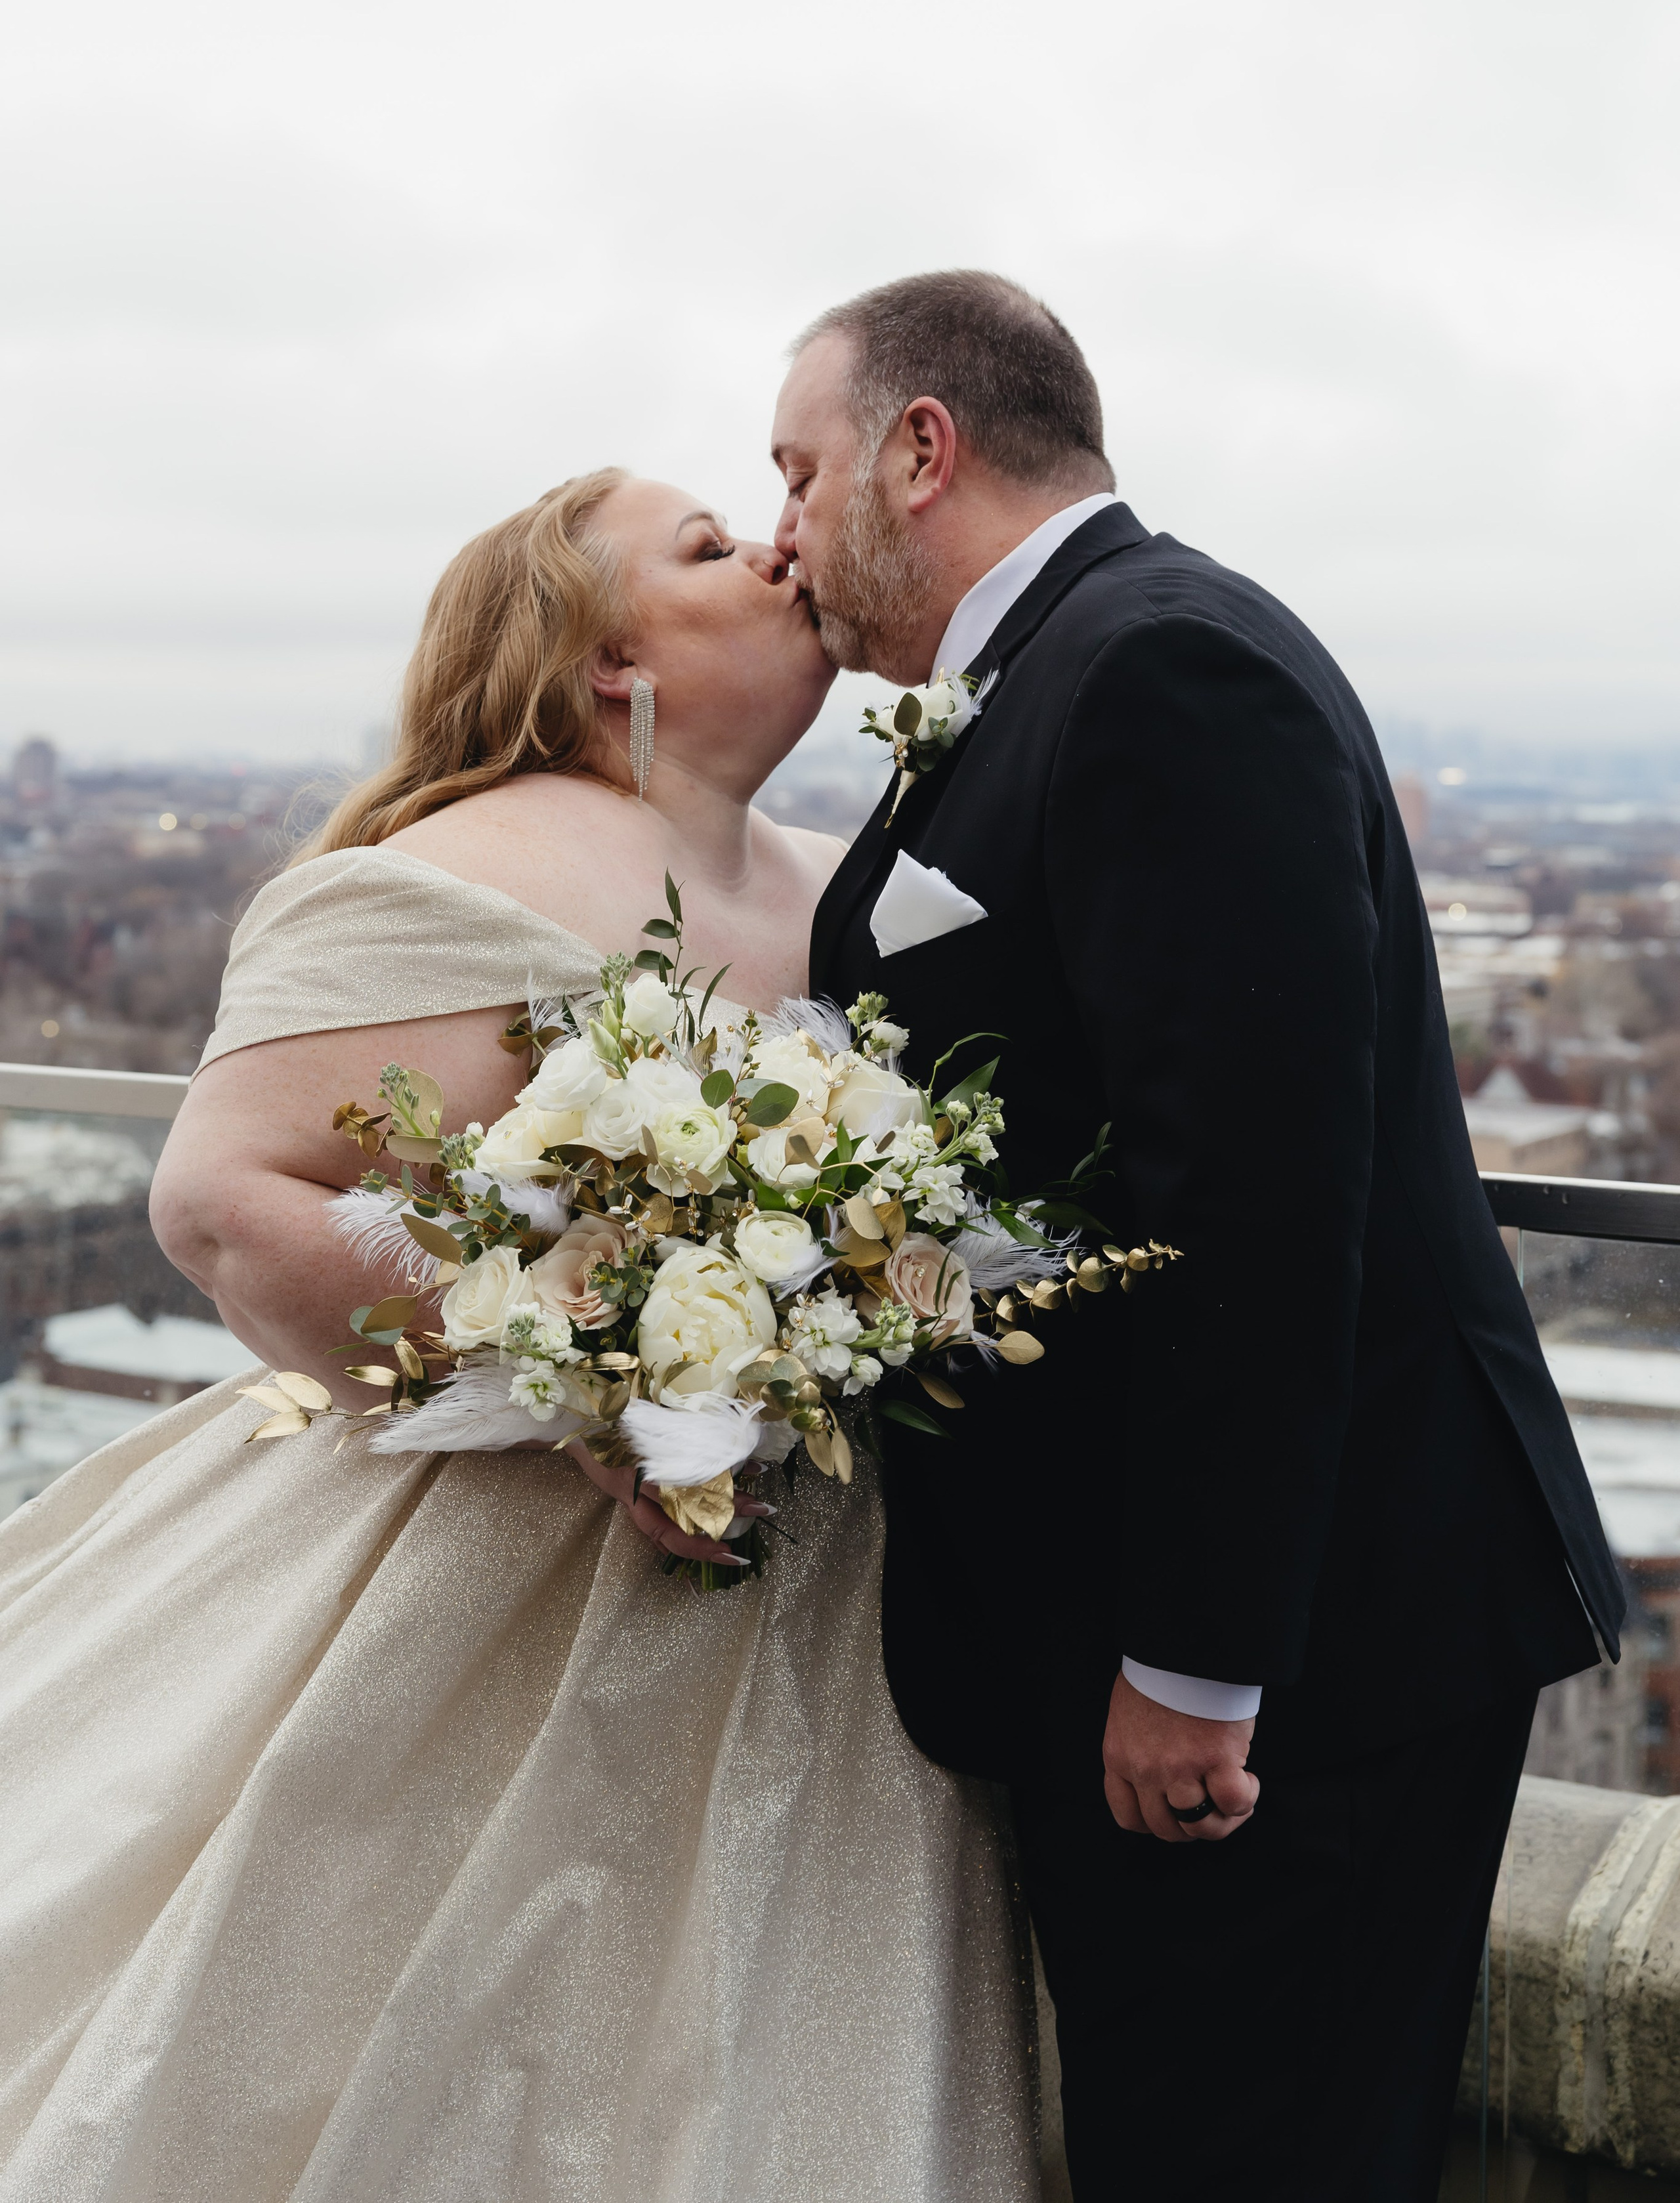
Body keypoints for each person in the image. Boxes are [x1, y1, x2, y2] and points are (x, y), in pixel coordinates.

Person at [0, 469, 1040, 2203]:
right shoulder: (460, 866)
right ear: (606, 658)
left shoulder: (845, 883)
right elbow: (225, 1198)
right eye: (711, 546)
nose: (779, 547)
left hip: (833, 1607)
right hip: (480, 1582)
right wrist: (587, 1388)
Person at [774, 270, 1626, 2202]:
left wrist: (1199, 1663)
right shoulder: (1058, 670)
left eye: (796, 468)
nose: (777, 530)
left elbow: (1254, 1193)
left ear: (923, 451)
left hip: (1304, 1669)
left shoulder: (1162, 666)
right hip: (1158, 1632)